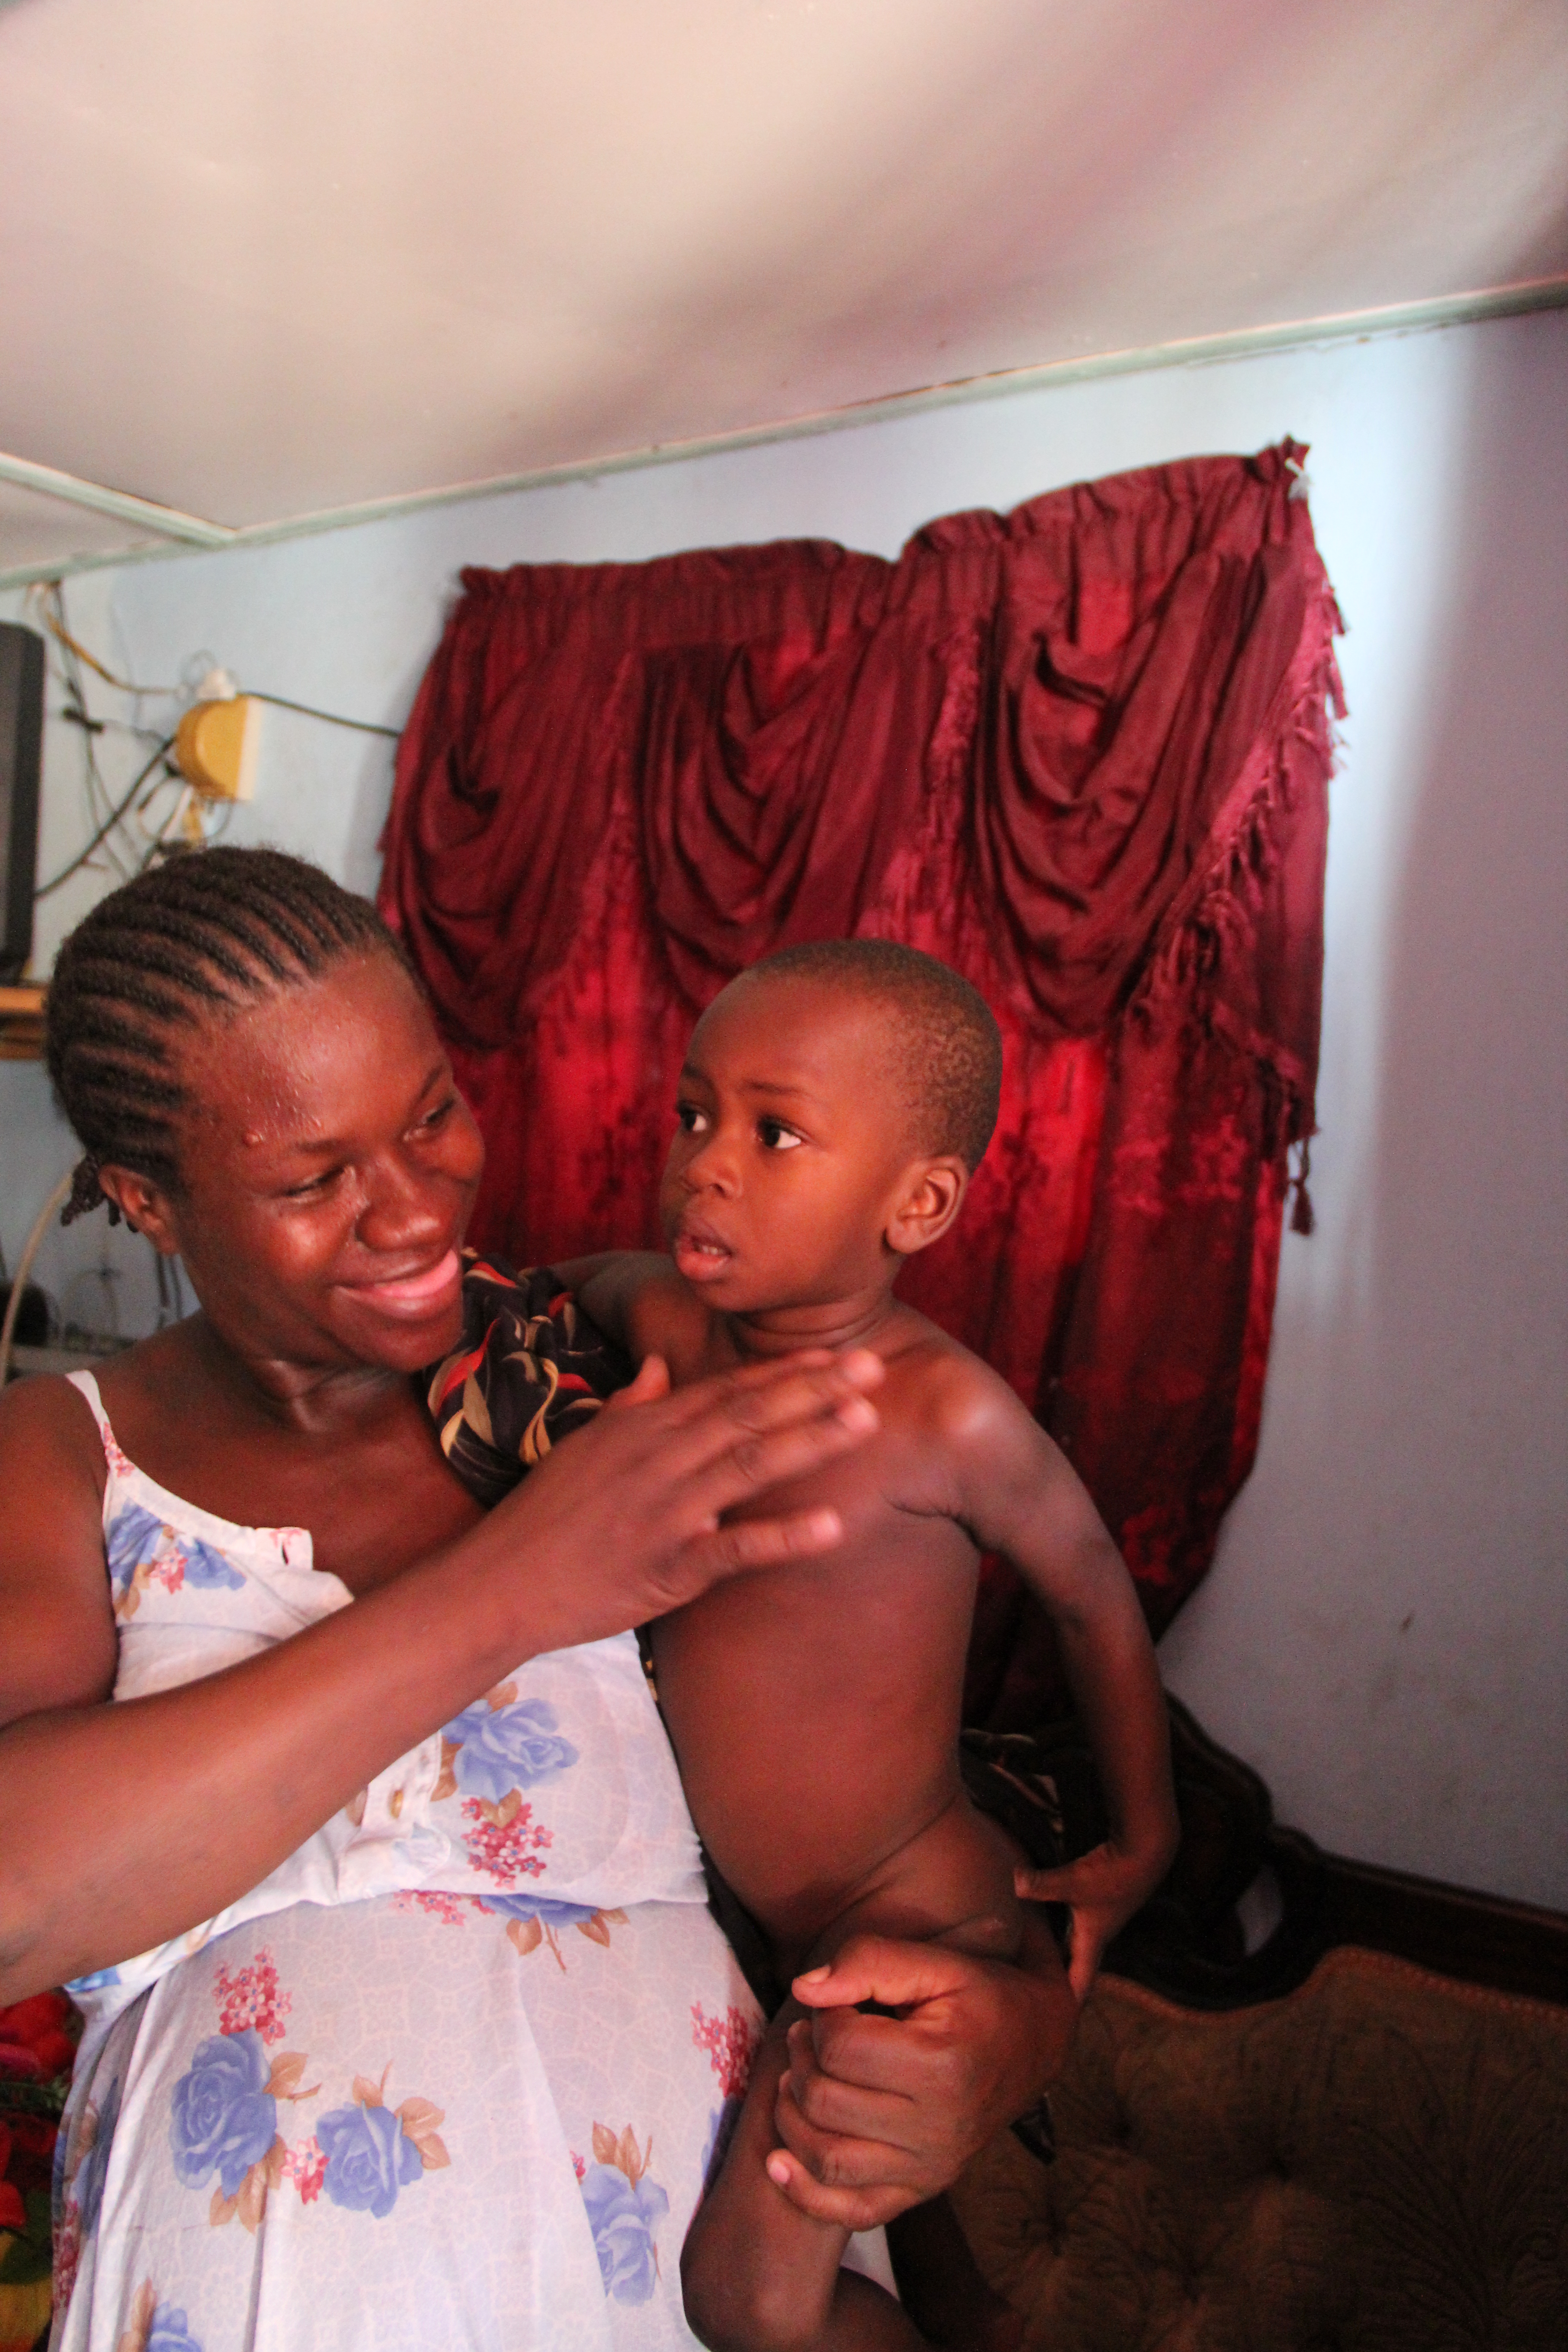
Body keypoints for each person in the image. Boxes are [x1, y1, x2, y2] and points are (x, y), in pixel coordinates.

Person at [0, 853, 1076, 2352]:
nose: (411, 1212)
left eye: (431, 1116)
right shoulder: (64, 1456)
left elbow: (877, 1829)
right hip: (270, 2295)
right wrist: (517, 1584)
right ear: (147, 1202)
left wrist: (1011, 2035)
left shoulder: (594, 1375)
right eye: (313, 1181)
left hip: (675, 2273)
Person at [439, 942, 1180, 2351]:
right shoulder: (669, 1319)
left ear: (919, 1203)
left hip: (912, 1920)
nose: (706, 1166)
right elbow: (555, 1289)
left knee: (749, 2305)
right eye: (694, 1115)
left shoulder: (941, 1414)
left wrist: (1146, 1841)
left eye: (774, 1134)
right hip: (749, 1921)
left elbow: (1093, 1593)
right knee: (927, 2265)